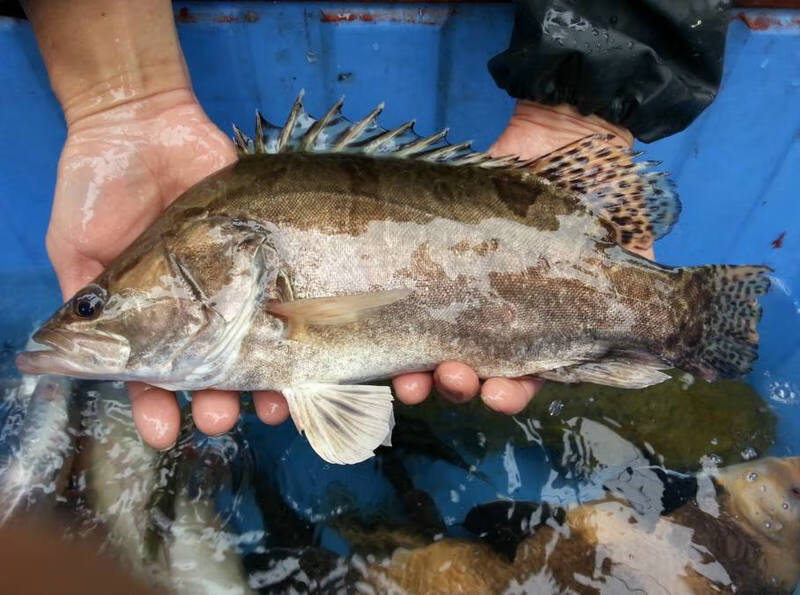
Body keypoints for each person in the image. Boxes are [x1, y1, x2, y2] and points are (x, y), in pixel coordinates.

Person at [21, 0, 729, 450]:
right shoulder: (221, 229)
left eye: (94, 305)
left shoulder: (240, 255)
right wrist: (125, 102)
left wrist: (581, 109)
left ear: (211, 262)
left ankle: (693, 319)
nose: (84, 316)